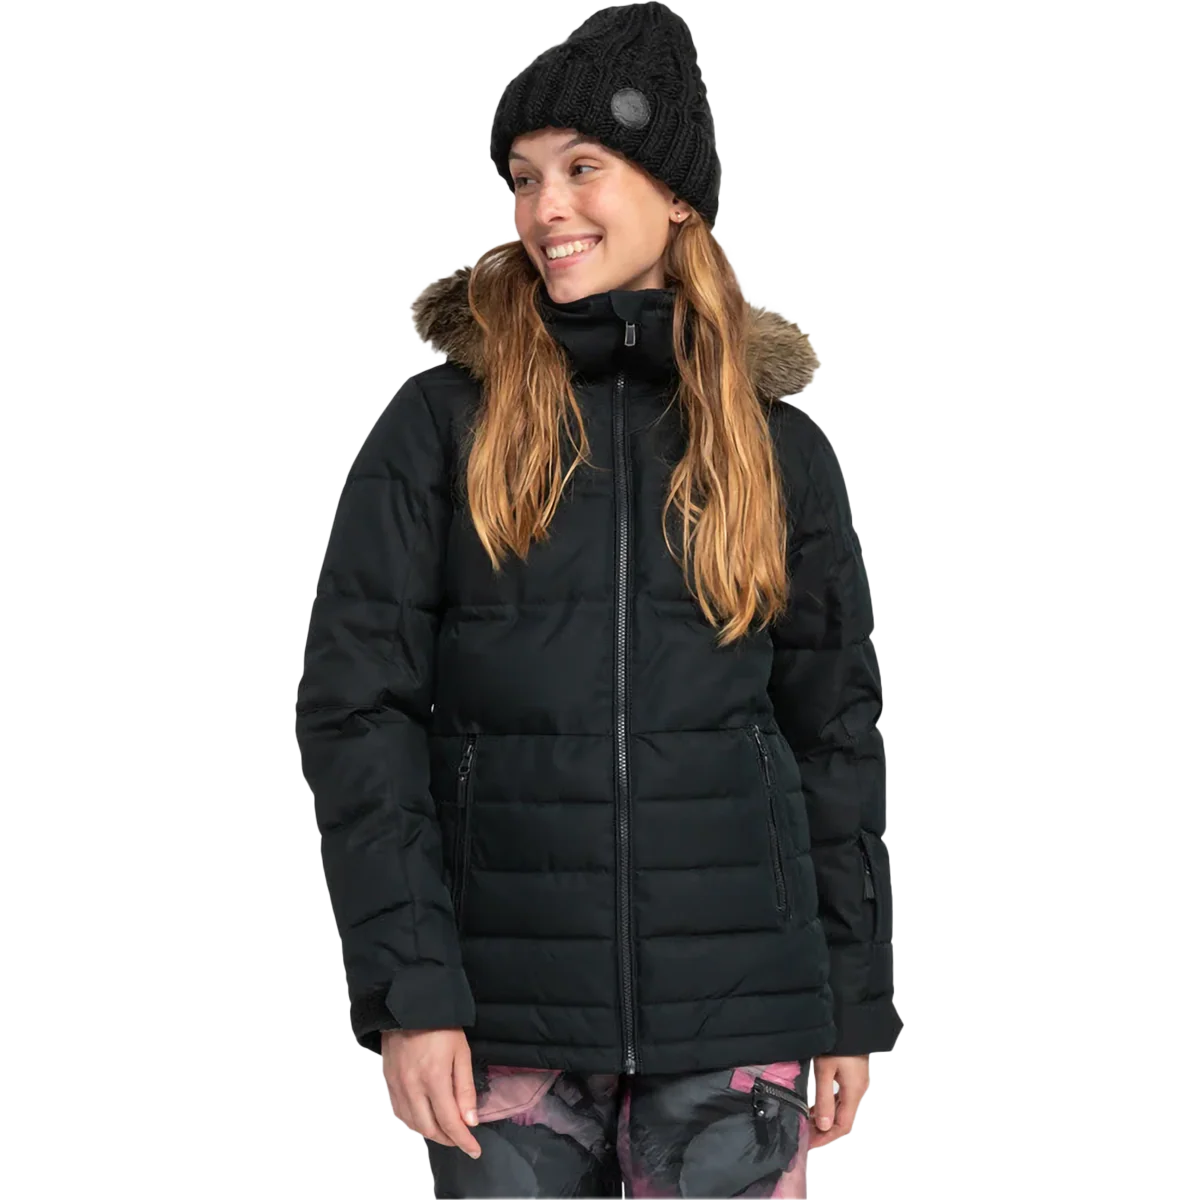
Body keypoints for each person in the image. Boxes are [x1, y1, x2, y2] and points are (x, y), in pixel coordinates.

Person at [294, 2, 902, 1195]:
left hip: (741, 1016)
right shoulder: (443, 427)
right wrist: (411, 990)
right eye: (524, 178)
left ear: (677, 195)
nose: (545, 209)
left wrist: (848, 1001)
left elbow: (835, 736)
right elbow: (357, 714)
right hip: (505, 1016)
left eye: (583, 168)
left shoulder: (779, 448)